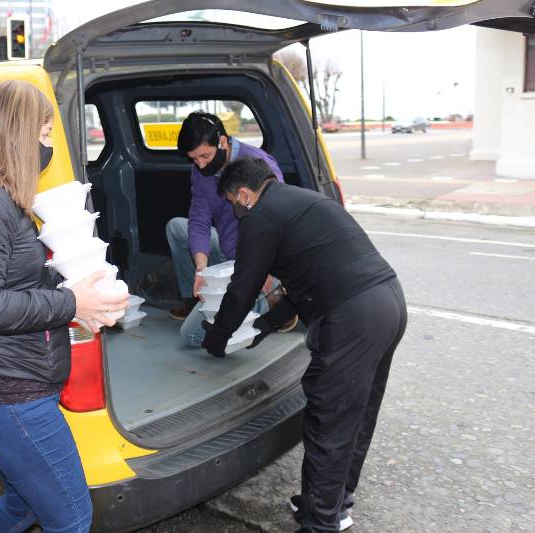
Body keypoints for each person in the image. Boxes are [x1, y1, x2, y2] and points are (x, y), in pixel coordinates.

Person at [0, 79, 128, 533]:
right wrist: (71, 300)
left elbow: (5, 282)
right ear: (21, 133)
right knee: (72, 520)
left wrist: (75, 288)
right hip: (11, 399)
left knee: (23, 508)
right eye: (45, 132)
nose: (49, 144)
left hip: (10, 393)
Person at [201, 157, 408, 533]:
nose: (234, 210)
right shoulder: (299, 201)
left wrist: (216, 338)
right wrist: (264, 326)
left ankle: (320, 523)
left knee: (329, 421)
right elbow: (303, 284)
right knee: (356, 414)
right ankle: (330, 502)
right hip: (388, 303)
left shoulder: (260, 218)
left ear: (244, 195)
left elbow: (242, 289)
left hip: (354, 317)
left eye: (232, 202)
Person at [166, 111, 284, 321]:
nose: (201, 165)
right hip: (226, 246)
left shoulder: (258, 163)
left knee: (195, 335)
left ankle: (276, 298)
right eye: (194, 159)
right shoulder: (200, 171)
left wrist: (264, 266)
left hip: (256, 254)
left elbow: (279, 221)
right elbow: (199, 219)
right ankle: (193, 297)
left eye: (205, 156)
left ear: (222, 142)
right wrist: (200, 267)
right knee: (176, 227)